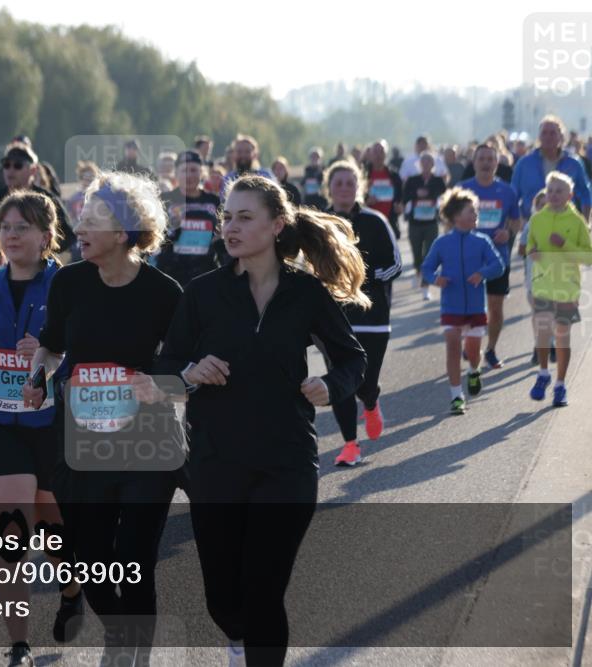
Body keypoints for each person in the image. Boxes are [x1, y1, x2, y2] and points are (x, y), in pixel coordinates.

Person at [156, 174, 368, 667]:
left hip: (286, 461)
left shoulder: (306, 293)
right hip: (215, 464)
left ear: (276, 226)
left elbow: (351, 359)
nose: (230, 226)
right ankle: (237, 637)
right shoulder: (202, 294)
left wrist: (329, 386)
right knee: (224, 600)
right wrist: (190, 372)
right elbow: (165, 370)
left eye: (244, 217)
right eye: (226, 217)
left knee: (264, 589)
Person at [21, 171, 183, 665]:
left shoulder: (165, 292)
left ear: (125, 231)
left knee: (134, 559)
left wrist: (160, 383)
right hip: (82, 440)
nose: (80, 229)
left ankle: (137, 656)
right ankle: (118, 633)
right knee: (91, 563)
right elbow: (51, 344)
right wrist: (37, 376)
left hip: (146, 438)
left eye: (93, 220)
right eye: (81, 218)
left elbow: (181, 367)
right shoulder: (69, 282)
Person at [0, 191, 84, 667]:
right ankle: (19, 645)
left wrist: (54, 354)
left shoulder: (68, 285)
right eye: (5, 227)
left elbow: (85, 351)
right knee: (12, 534)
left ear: (47, 236)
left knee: (53, 534)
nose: (11, 235)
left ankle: (72, 589)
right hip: (0, 424)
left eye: (22, 227)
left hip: (52, 424)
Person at [324, 160, 402, 466]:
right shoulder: (322, 223)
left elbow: (395, 264)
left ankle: (370, 401)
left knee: (364, 383)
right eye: (338, 182)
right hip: (334, 316)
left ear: (360, 186)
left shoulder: (375, 220)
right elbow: (309, 264)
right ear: (329, 187)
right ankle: (350, 444)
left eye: (349, 182)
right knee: (340, 381)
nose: (344, 188)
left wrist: (364, 277)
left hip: (373, 316)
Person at [421, 188, 505, 415]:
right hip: (451, 306)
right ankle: (456, 396)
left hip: (476, 307)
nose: (475, 215)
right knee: (452, 347)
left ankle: (474, 371)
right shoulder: (442, 243)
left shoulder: (482, 241)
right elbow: (426, 268)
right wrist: (435, 279)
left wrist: (482, 273)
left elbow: (499, 265)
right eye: (471, 211)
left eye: (476, 211)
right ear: (457, 216)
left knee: (473, 350)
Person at [524, 171, 592, 407]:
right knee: (543, 333)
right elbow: (529, 246)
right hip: (542, 285)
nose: (553, 195)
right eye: (550, 190)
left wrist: (565, 245)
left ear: (570, 195)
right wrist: (532, 252)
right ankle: (543, 374)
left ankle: (560, 385)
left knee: (562, 338)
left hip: (566, 288)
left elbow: (589, 257)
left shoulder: (577, 222)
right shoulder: (537, 220)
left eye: (559, 191)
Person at [459, 143, 522, 368]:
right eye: (481, 159)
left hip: (497, 258)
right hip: (468, 257)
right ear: (474, 163)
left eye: (490, 159)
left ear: (497, 163)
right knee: (470, 307)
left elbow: (517, 220)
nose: (486, 163)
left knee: (495, 308)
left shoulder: (507, 191)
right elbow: (448, 221)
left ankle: (491, 350)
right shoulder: (463, 190)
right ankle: (470, 343)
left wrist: (509, 232)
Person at [0, 144, 75, 275]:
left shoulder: (45, 199)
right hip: (4, 269)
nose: (10, 170)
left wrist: (39, 252)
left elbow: (69, 235)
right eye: (6, 165)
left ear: (33, 170)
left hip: (40, 272)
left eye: (17, 165)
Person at [155, 150, 225, 286]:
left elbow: (222, 237)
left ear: (202, 172)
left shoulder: (213, 201)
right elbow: (155, 238)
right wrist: (174, 229)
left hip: (206, 273)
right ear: (176, 173)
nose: (189, 175)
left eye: (194, 170)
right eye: (184, 170)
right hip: (171, 274)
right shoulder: (164, 200)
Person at [512, 116, 592, 222]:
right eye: (544, 133)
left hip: (565, 223)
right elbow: (513, 195)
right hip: (531, 223)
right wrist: (517, 221)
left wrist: (585, 221)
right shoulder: (524, 163)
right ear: (539, 136)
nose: (548, 137)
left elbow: (585, 193)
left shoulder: (573, 163)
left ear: (561, 136)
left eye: (552, 133)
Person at [402, 152, 447, 300]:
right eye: (424, 162)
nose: (426, 164)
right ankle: (417, 271)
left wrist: (429, 193)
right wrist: (416, 193)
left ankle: (425, 286)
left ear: (433, 164)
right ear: (420, 164)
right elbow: (405, 196)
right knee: (416, 252)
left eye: (429, 162)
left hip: (431, 221)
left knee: (428, 253)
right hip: (415, 221)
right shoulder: (413, 180)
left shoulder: (438, 180)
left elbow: (444, 194)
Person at [518, 189, 552, 365]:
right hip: (534, 276)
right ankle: (538, 346)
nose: (544, 207)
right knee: (538, 313)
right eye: (540, 205)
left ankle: (550, 343)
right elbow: (521, 250)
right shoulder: (531, 224)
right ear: (535, 207)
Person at [364, 140, 404, 240]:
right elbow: (355, 198)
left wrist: (400, 207)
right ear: (370, 154)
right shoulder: (363, 174)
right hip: (368, 224)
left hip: (389, 223)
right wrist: (366, 201)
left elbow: (401, 197)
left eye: (381, 151)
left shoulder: (393, 175)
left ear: (386, 154)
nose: (378, 155)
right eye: (375, 152)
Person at [221, 134, 274, 199]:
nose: (243, 155)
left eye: (247, 151)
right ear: (234, 154)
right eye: (239, 151)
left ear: (255, 154)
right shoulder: (228, 179)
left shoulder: (266, 176)